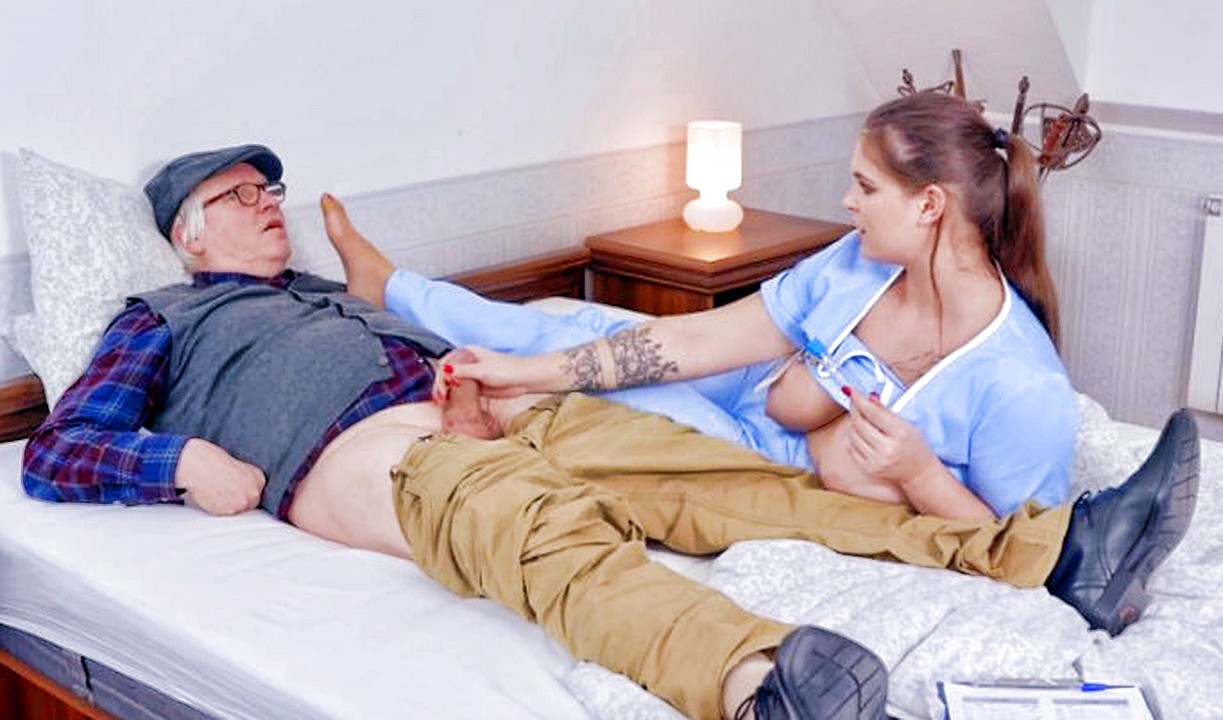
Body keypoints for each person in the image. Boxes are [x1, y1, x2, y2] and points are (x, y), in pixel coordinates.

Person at [20, 142, 1198, 720]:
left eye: (270, 190)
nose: (267, 205)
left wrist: (475, 380)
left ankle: (1054, 558)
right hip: (384, 462)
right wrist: (186, 461)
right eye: (237, 197)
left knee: (730, 483)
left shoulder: (327, 297)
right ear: (186, 237)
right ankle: (754, 681)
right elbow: (62, 450)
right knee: (543, 537)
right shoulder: (161, 317)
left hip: (493, 414)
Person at [403, 92, 1079, 524]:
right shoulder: (860, 262)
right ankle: (401, 292)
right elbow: (697, 342)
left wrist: (919, 474)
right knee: (590, 326)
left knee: (607, 409)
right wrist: (527, 366)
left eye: (865, 187)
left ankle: (486, 392)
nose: (847, 203)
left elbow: (1015, 547)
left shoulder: (1022, 384)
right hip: (754, 384)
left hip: (762, 456)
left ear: (929, 205)